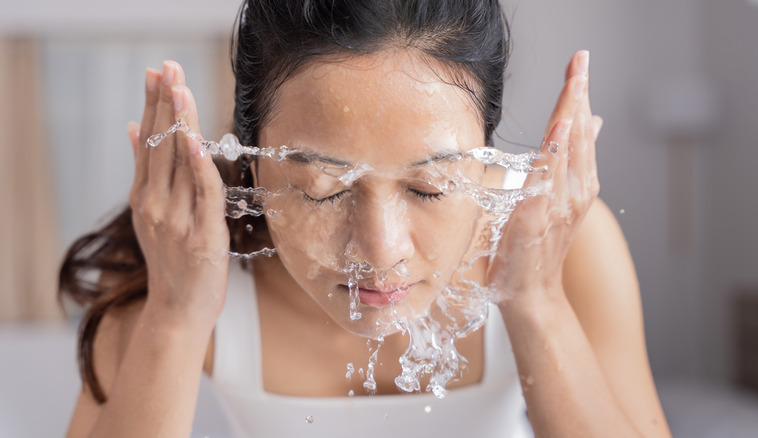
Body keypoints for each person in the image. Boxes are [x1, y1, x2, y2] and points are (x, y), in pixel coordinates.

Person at [60, 1, 671, 437]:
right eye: (324, 190)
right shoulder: (182, 259)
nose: (380, 253)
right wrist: (176, 313)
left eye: (430, 188)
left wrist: (534, 300)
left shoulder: (562, 243)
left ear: (484, 154)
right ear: (252, 162)